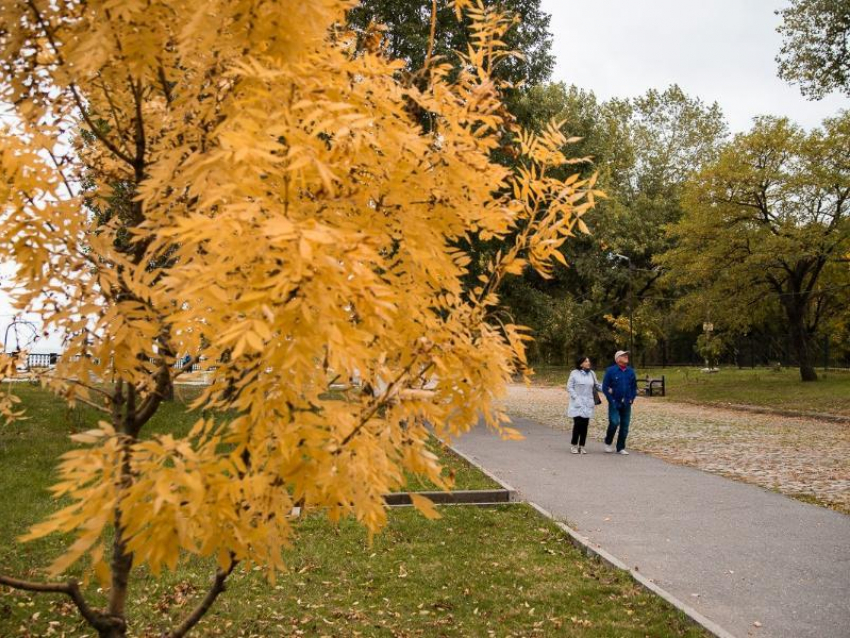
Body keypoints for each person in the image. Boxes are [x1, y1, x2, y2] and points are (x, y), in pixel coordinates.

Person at [601, 350, 637, 455]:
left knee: (625, 425)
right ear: (617, 359)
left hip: (626, 403)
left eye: (626, 355)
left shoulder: (630, 371)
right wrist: (611, 399)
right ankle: (608, 441)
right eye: (623, 355)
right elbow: (605, 387)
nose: (626, 357)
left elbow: (634, 387)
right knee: (614, 422)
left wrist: (632, 398)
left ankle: (620, 447)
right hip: (614, 402)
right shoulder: (611, 371)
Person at [567, 356, 602, 454]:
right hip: (577, 403)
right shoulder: (574, 373)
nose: (588, 363)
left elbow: (597, 385)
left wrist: (608, 388)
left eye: (588, 361)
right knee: (578, 424)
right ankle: (574, 445)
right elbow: (569, 387)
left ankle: (582, 446)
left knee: (585, 425)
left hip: (588, 403)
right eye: (586, 361)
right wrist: (575, 397)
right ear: (581, 363)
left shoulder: (592, 373)